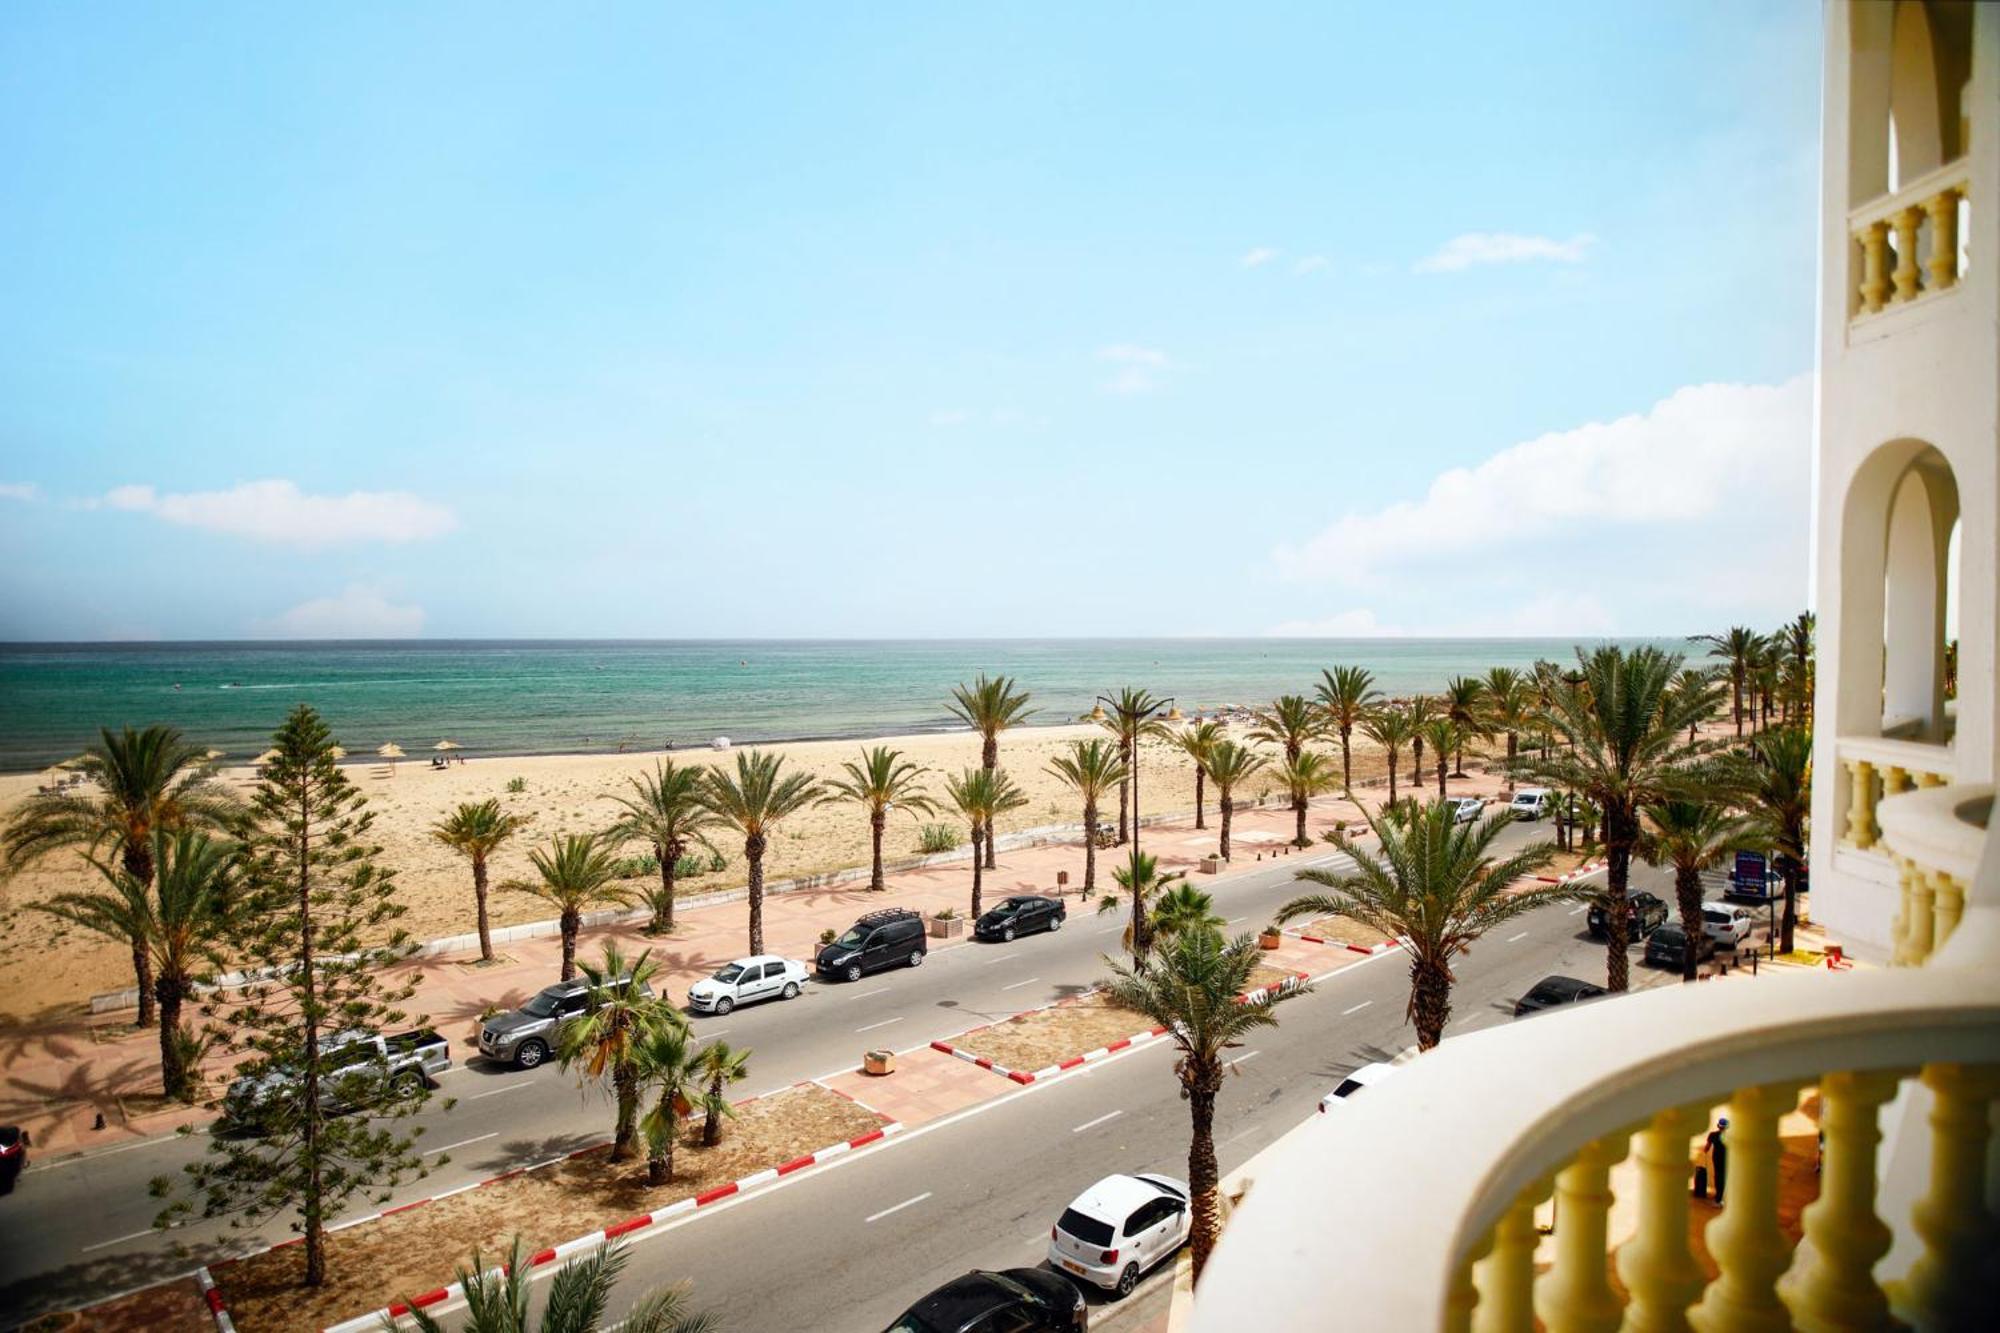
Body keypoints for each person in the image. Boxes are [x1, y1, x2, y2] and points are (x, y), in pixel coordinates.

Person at [1704, 1117, 1730, 1204]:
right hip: (1727, 1159)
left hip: (1717, 1159)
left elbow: (1706, 1148)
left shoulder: (1713, 1135)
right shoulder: (1730, 1136)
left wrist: (1705, 1150)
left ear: (1718, 1126)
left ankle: (1718, 1198)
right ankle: (1722, 1197)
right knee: (1725, 1177)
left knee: (1718, 1177)